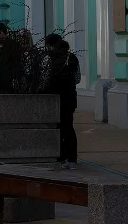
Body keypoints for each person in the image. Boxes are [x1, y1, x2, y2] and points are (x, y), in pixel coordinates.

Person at [41, 34, 80, 169]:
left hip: (54, 97)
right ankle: (72, 159)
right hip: (70, 97)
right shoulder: (72, 57)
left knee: (57, 128)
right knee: (68, 127)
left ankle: (61, 157)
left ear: (50, 45)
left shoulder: (48, 58)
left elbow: (44, 78)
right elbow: (78, 79)